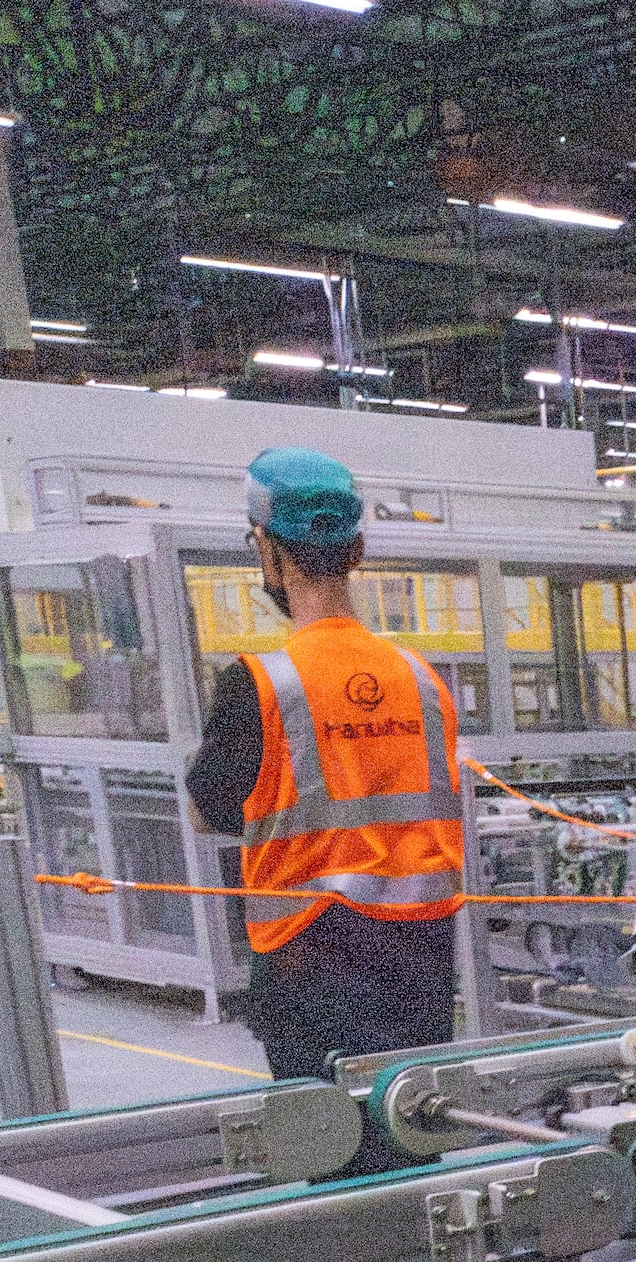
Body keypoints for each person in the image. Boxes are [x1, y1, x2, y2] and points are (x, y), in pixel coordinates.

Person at [186, 448, 467, 1096]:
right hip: (421, 966)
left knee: (334, 1162)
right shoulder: (423, 680)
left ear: (266, 548)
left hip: (305, 966)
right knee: (415, 1133)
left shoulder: (258, 686)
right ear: (359, 549)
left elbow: (213, 811)